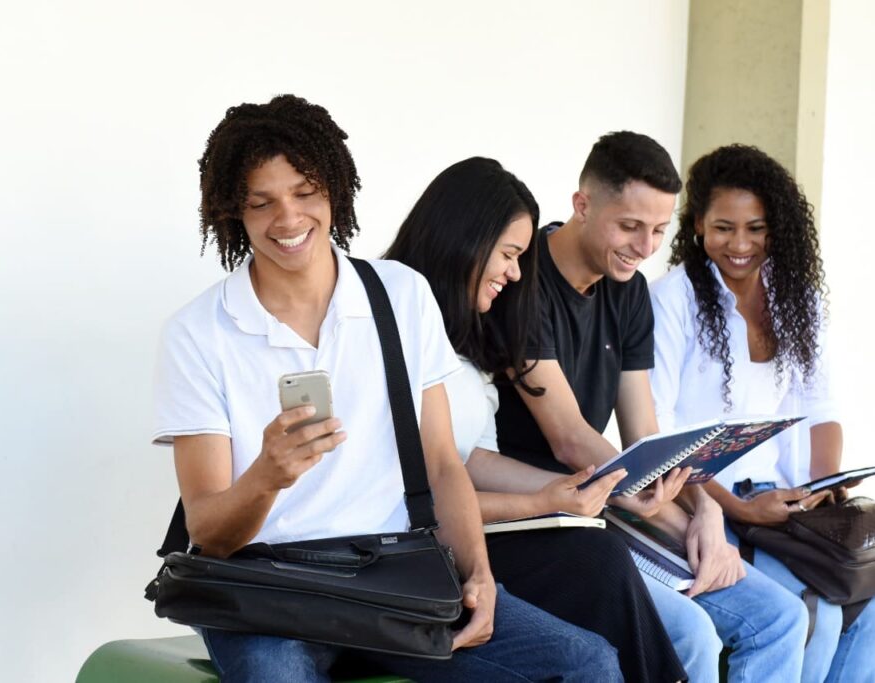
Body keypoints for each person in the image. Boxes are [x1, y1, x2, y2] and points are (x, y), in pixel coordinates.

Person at [151, 94, 623, 683]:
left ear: (335, 191)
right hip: (263, 591)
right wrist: (267, 475)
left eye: (305, 193)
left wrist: (477, 571)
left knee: (586, 664)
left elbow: (443, 465)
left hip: (392, 577)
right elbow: (210, 533)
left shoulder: (400, 295)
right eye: (261, 202)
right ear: (233, 212)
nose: (289, 219)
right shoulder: (198, 334)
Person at [493, 132, 810, 682]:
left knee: (779, 616)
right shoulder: (525, 282)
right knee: (692, 634)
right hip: (542, 508)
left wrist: (703, 509)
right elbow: (569, 436)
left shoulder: (629, 291)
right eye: (630, 226)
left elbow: (644, 429)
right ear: (582, 205)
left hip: (606, 494)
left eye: (659, 231)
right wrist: (655, 499)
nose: (645, 247)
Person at [385, 156, 688, 683]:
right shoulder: (387, 316)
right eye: (508, 254)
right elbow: (412, 494)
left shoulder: (468, 335)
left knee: (597, 554)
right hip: (418, 546)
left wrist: (571, 490)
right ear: (465, 240)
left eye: (521, 256)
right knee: (596, 561)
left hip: (466, 531)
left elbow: (473, 458)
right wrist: (541, 501)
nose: (516, 272)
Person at [649, 143, 875, 682]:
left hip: (787, 506)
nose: (740, 244)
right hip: (708, 503)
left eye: (756, 228)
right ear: (697, 226)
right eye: (724, 227)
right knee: (815, 611)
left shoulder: (797, 299)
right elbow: (659, 429)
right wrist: (739, 511)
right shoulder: (672, 300)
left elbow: (819, 404)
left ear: (777, 227)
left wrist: (822, 482)